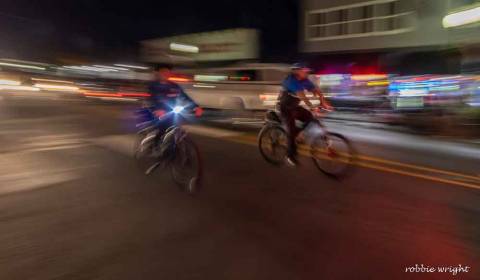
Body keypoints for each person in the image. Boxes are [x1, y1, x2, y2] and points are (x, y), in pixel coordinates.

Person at [278, 63, 333, 166]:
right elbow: (302, 95)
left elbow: (317, 91)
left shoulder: (304, 80)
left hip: (294, 107)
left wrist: (323, 102)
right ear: (297, 71)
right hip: (285, 108)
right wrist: (312, 107)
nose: (307, 72)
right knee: (291, 130)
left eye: (307, 70)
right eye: (305, 70)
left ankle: (298, 134)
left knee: (310, 117)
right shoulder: (291, 80)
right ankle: (290, 156)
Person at [147, 64, 203, 137]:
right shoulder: (153, 85)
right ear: (158, 73)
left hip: (171, 111)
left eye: (168, 72)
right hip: (157, 111)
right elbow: (153, 98)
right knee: (162, 130)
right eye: (163, 72)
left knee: (176, 130)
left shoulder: (174, 85)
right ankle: (156, 145)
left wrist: (196, 107)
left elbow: (184, 96)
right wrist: (157, 109)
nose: (166, 74)